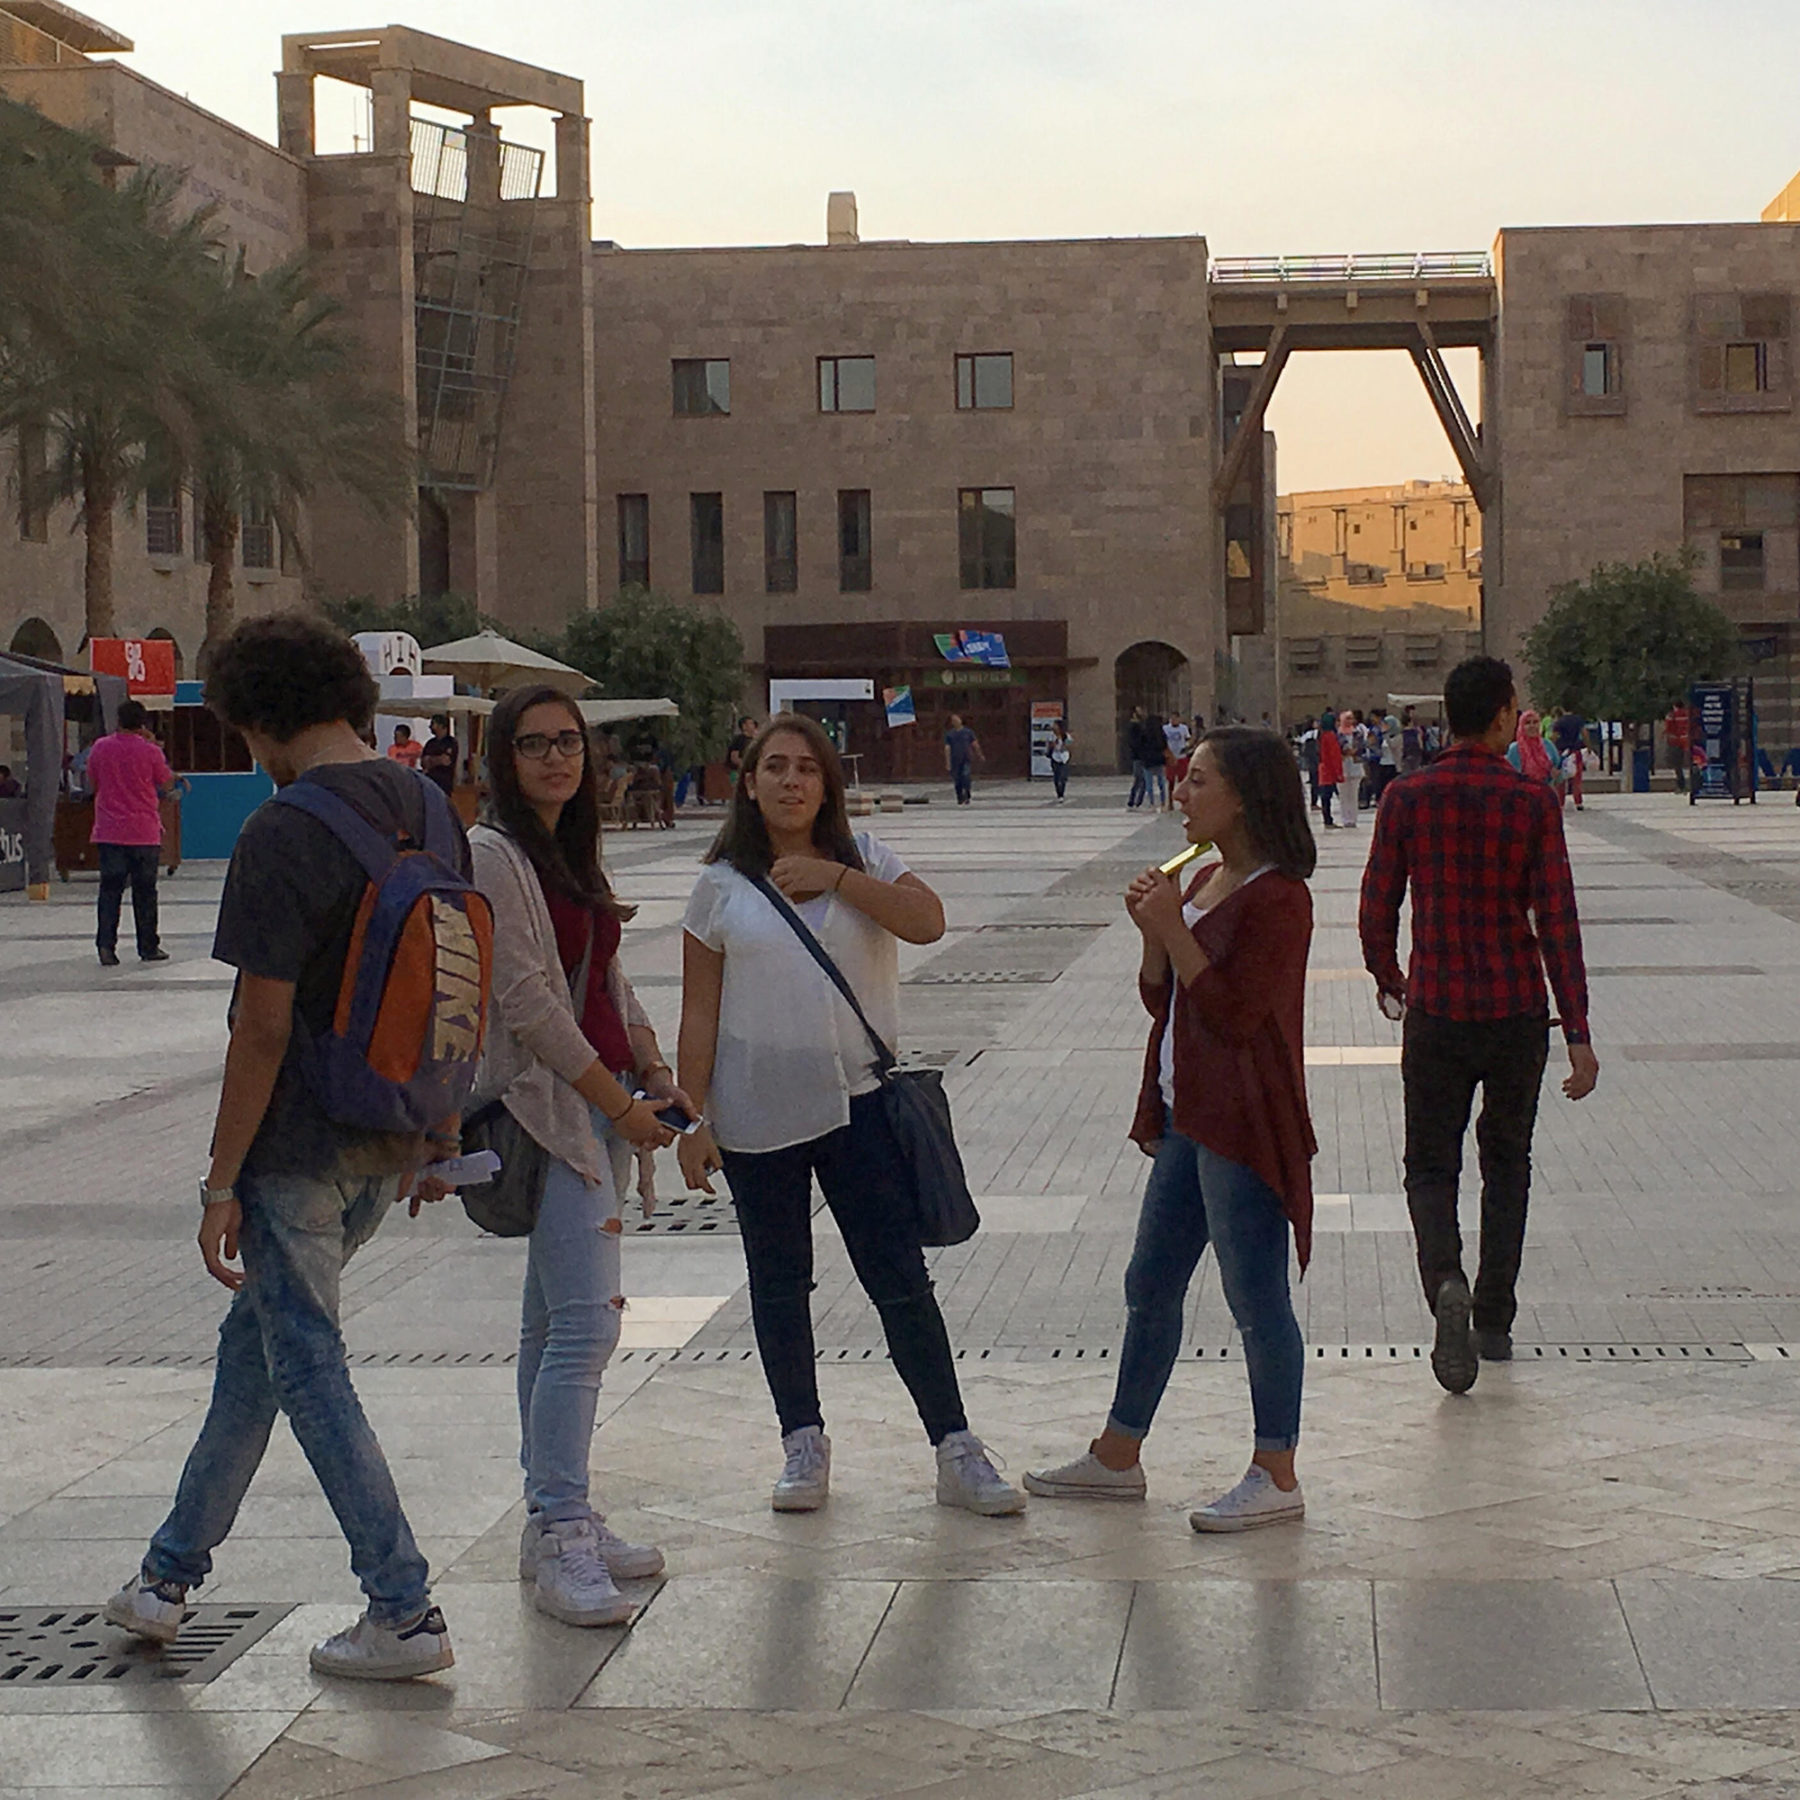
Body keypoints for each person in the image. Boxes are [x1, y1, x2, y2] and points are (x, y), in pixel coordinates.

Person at [104, 613, 466, 1679]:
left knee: (304, 1366)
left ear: (260, 715)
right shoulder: (433, 807)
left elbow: (259, 1027)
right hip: (390, 1129)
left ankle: (403, 1608)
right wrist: (438, 1126)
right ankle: (166, 1578)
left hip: (299, 1144)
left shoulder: (282, 829)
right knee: (254, 1360)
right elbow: (452, 975)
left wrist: (221, 1179)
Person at [675, 714, 1025, 1517]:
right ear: (750, 781)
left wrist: (835, 878)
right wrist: (693, 1121)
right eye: (775, 767)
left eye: (808, 769)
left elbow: (928, 921)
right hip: (758, 1112)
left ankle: (955, 1445)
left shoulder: (866, 860)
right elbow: (701, 1014)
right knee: (779, 1283)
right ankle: (802, 1441)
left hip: (860, 1105)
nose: (792, 781)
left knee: (899, 1280)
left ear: (828, 784)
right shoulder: (719, 885)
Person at [1026, 729, 1317, 1530]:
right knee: (1150, 1281)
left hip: (1243, 1120)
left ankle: (1276, 1468)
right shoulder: (1206, 878)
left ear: (1244, 798)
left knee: (1254, 1294)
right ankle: (1119, 1452)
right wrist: (1155, 935)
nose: (1180, 795)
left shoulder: (1279, 896)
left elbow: (1233, 1012)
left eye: (1197, 782)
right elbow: (1168, 1001)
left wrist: (1175, 931)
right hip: (1188, 1114)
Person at [470, 686, 682, 1628]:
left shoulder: (565, 851)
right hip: (550, 1111)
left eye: (570, 743)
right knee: (589, 1331)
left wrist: (655, 1065)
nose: (558, 758)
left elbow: (603, 976)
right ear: (502, 757)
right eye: (535, 744)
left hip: (593, 1103)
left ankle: (558, 1517)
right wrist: (616, 1106)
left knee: (553, 1326)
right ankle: (560, 1528)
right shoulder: (494, 854)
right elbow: (527, 1002)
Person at [1359, 656, 1599, 1395]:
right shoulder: (1532, 802)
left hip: (1437, 1009)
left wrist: (1388, 976)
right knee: (1508, 1163)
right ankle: (1493, 1318)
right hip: (1516, 1014)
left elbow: (1377, 904)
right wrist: (1579, 1032)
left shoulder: (1407, 796)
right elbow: (1557, 922)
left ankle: (1445, 1285)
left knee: (1430, 1167)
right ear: (1499, 717)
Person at [87, 697, 178, 967]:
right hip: (143, 831)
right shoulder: (150, 751)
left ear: (118, 720)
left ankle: (106, 947)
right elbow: (166, 781)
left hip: (109, 830)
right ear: (143, 724)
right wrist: (154, 745)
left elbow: (93, 781)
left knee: (109, 891)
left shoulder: (100, 747)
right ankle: (148, 946)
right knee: (145, 891)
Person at [944, 712, 982, 805]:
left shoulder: (968, 732)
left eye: (957, 719)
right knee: (957, 779)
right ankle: (960, 796)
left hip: (966, 758)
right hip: (955, 759)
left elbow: (974, 744)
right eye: (953, 720)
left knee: (966, 776)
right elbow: (947, 748)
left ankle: (967, 793)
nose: (955, 721)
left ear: (961, 720)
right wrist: (948, 762)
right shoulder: (950, 734)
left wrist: (979, 754)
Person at [1315, 711, 1343, 829]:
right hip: (1329, 770)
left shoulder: (1321, 735)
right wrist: (1338, 773)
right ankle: (1328, 820)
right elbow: (1334, 755)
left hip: (1323, 769)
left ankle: (1327, 819)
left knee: (1325, 797)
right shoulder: (1330, 736)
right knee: (1328, 796)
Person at [420, 713, 458, 797]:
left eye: (433, 724)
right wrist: (435, 760)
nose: (430, 727)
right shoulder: (430, 743)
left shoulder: (450, 742)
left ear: (441, 725)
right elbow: (423, 762)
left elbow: (445, 760)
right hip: (430, 782)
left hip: (443, 783)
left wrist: (430, 760)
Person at [1126, 707, 1154, 809]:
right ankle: (1135, 801)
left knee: (1140, 780)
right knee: (1140, 779)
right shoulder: (1134, 726)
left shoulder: (1141, 725)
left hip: (1141, 756)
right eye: (1139, 711)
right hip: (1139, 756)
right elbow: (1135, 742)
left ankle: (1135, 801)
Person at [1162, 715, 1191, 807]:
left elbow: (1188, 739)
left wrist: (1187, 748)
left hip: (1181, 757)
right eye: (1172, 718)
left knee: (1183, 780)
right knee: (1170, 781)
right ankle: (1170, 802)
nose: (1174, 720)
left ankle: (1184, 801)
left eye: (1175, 719)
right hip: (1170, 757)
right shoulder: (1165, 728)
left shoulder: (1183, 728)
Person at [726, 716, 758, 787]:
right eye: (750, 723)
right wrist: (745, 765)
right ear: (744, 726)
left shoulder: (755, 740)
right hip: (736, 771)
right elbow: (734, 758)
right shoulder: (738, 740)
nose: (753, 725)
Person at [1048, 717, 1073, 801]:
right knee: (1056, 777)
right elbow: (1050, 745)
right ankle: (1059, 793)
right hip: (1055, 757)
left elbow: (1069, 745)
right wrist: (1053, 744)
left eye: (1055, 725)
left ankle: (1062, 793)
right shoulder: (1052, 736)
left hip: (1064, 757)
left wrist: (1065, 746)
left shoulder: (1066, 736)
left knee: (1062, 777)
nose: (1054, 727)